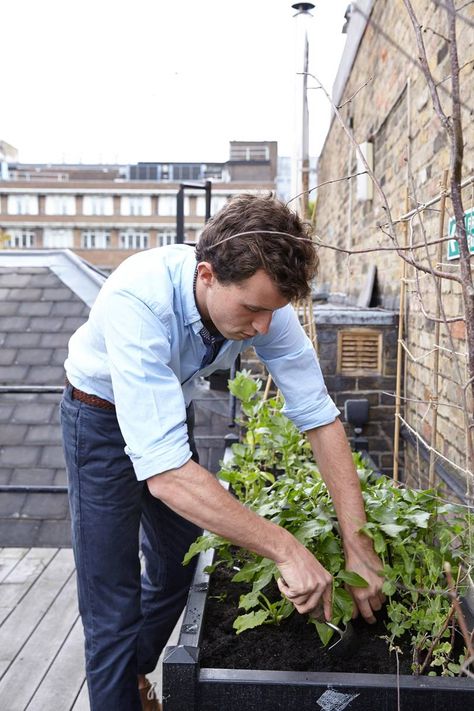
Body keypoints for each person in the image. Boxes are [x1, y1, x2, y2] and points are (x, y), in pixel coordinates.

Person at [60, 193, 385, 711]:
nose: (262, 328)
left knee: (177, 564)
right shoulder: (138, 301)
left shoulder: (264, 308)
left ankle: (131, 676)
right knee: (111, 604)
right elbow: (167, 475)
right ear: (207, 275)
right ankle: (120, 688)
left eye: (272, 312)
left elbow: (321, 420)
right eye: (253, 309)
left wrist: (359, 545)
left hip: (165, 408)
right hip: (98, 418)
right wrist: (286, 549)